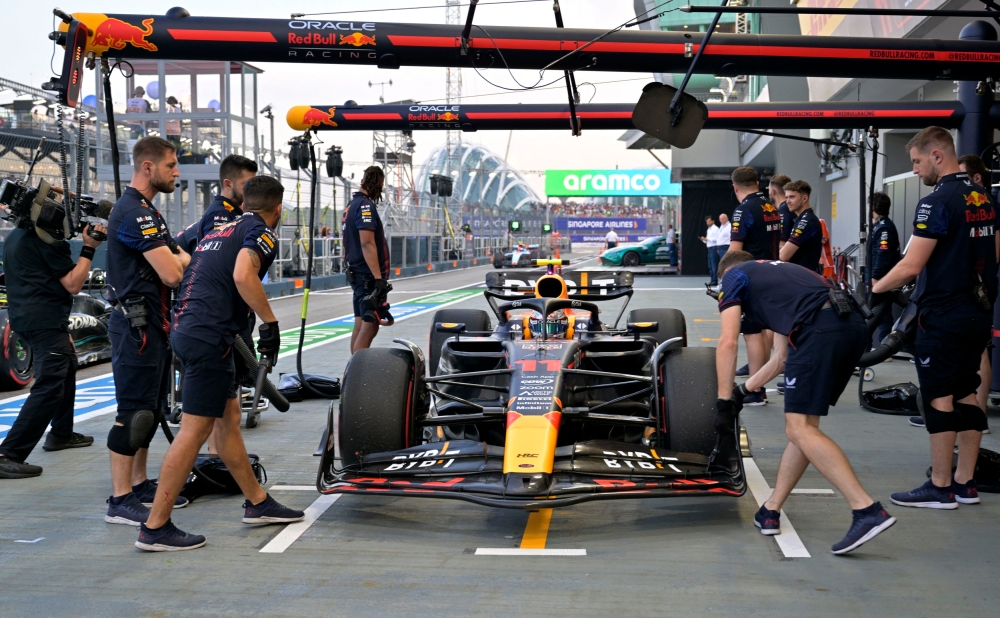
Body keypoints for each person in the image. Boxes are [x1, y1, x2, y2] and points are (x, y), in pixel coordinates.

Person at [137, 176, 304, 551]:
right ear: (278, 209)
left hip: (191, 329)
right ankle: (155, 526)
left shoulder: (220, 228)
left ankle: (258, 503)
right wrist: (271, 324)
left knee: (228, 420)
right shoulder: (261, 232)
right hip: (209, 337)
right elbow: (244, 274)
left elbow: (181, 255)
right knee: (194, 432)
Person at [714, 251, 896, 554]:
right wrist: (741, 391)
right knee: (804, 428)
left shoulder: (735, 275)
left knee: (799, 429)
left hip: (820, 329)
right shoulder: (785, 275)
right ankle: (771, 508)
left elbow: (728, 341)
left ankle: (866, 510)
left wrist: (722, 400)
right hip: (850, 326)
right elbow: (781, 358)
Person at [873, 127, 998, 509]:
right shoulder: (984, 199)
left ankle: (940, 486)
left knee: (939, 398)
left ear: (937, 156)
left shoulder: (936, 202)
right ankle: (966, 484)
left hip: (942, 316)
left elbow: (911, 265)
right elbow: (993, 253)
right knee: (966, 392)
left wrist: (875, 290)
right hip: (978, 312)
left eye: (916, 161)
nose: (914, 170)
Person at [104, 137, 191, 526]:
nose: (176, 172)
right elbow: (174, 271)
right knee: (134, 413)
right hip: (136, 326)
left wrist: (176, 257)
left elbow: (179, 257)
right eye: (171, 165)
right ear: (147, 167)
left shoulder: (146, 211)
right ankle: (120, 500)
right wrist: (176, 259)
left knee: (151, 411)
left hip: (153, 324)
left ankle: (138, 486)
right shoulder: (134, 213)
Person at [0, 210, 106, 478]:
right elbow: (73, 283)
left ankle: (61, 433)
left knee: (67, 363)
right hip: (43, 321)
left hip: (27, 318)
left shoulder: (17, 235)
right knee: (50, 384)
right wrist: (89, 248)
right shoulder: (48, 241)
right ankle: (8, 453)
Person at [727, 166, 781, 405]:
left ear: (735, 187)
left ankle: (755, 390)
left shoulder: (743, 210)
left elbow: (735, 251)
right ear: (757, 183)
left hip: (751, 276)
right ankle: (757, 386)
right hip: (773, 272)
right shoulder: (771, 207)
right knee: (760, 331)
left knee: (752, 333)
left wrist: (722, 277)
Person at [957, 154, 996, 425]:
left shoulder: (987, 205)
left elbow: (993, 252)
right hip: (975, 285)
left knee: (978, 351)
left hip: (976, 287)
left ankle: (975, 415)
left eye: (962, 177)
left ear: (976, 177)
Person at [344, 166, 392, 353]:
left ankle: (352, 371)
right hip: (366, 275)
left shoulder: (351, 205)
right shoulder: (365, 206)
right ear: (376, 183)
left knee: (360, 323)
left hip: (357, 274)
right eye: (380, 187)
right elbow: (367, 243)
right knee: (370, 324)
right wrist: (378, 278)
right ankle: (358, 373)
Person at [175, 155, 258, 254]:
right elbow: (214, 260)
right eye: (247, 184)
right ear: (228, 184)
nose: (252, 190)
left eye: (254, 184)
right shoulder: (220, 214)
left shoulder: (231, 211)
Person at [867, 192, 900, 348]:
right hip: (878, 275)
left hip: (880, 277)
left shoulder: (884, 227)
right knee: (882, 312)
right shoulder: (880, 226)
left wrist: (875, 277)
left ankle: (882, 347)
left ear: (873, 207)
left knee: (879, 311)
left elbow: (883, 253)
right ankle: (881, 346)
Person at [779, 180, 823, 273]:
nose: (787, 201)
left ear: (804, 198)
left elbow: (783, 256)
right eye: (786, 197)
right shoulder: (802, 219)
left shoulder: (806, 221)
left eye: (792, 197)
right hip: (800, 277)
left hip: (803, 279)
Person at [769, 174, 793, 249]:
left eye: (768, 190)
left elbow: (781, 243)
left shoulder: (783, 210)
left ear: (773, 192)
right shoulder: (792, 207)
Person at [700, 215, 720, 285]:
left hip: (714, 248)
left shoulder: (716, 229)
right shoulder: (709, 229)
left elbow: (718, 239)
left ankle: (715, 280)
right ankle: (712, 280)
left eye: (709, 221)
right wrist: (704, 240)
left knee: (714, 265)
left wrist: (707, 239)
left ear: (713, 221)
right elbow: (708, 240)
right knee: (710, 265)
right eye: (707, 222)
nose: (708, 223)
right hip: (709, 248)